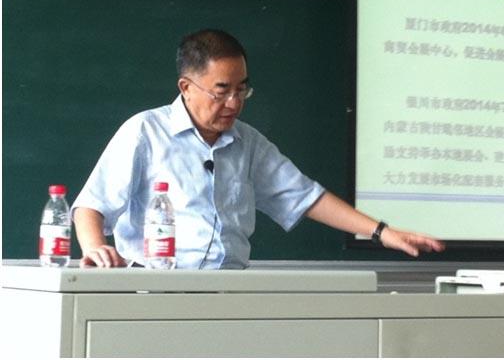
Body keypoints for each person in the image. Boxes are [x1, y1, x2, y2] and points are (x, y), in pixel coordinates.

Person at [72, 29, 445, 268]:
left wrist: (382, 232)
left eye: (242, 90)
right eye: (222, 91)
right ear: (186, 87)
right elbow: (91, 205)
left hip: (231, 292)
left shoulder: (247, 142)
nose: (234, 103)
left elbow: (305, 196)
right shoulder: (146, 131)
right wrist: (94, 249)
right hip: (154, 290)